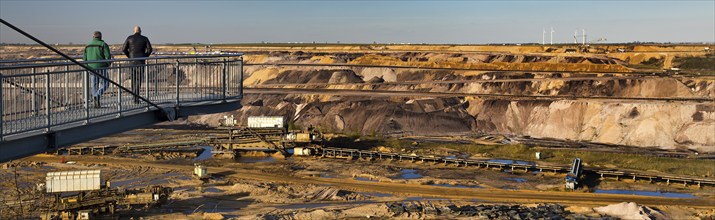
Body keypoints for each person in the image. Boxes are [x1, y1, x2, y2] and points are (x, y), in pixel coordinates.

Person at [122, 26, 153, 103]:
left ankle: (134, 97)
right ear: (140, 31)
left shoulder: (129, 38)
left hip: (132, 61)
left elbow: (123, 49)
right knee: (138, 80)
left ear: (134, 31)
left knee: (133, 79)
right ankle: (136, 97)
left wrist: (129, 56)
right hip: (141, 61)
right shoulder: (145, 38)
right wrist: (145, 56)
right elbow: (150, 49)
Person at [83, 31, 112, 108]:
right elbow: (108, 57)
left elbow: (84, 58)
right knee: (106, 83)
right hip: (101, 67)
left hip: (91, 68)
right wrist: (107, 65)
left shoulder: (87, 45)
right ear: (100, 37)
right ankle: (97, 95)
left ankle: (96, 103)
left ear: (93, 37)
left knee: (94, 85)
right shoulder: (103, 44)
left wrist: (87, 66)